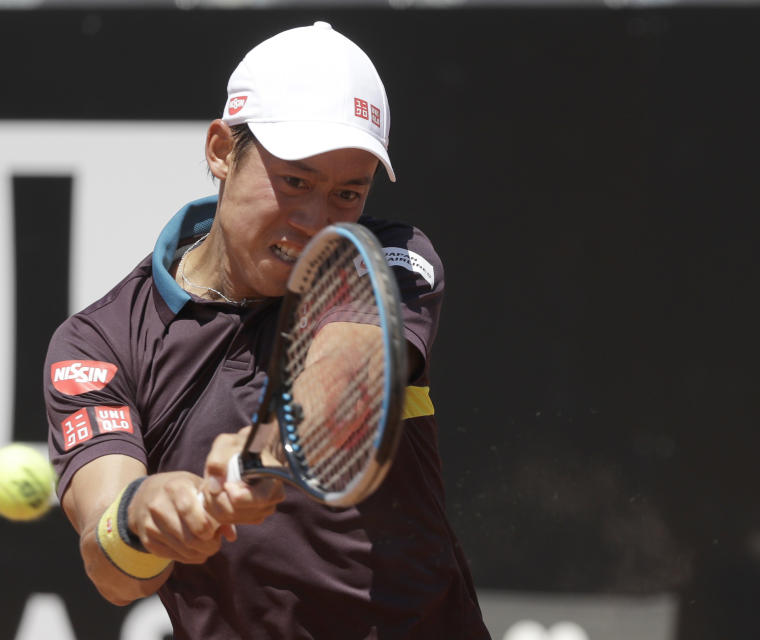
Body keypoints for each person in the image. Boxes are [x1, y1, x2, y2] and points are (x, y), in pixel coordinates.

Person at [44, 21, 490, 639]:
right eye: (296, 182)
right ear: (222, 151)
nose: (316, 220)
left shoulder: (390, 256)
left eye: (347, 194)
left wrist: (264, 451)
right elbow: (114, 571)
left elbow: (344, 380)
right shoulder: (97, 344)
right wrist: (144, 516)